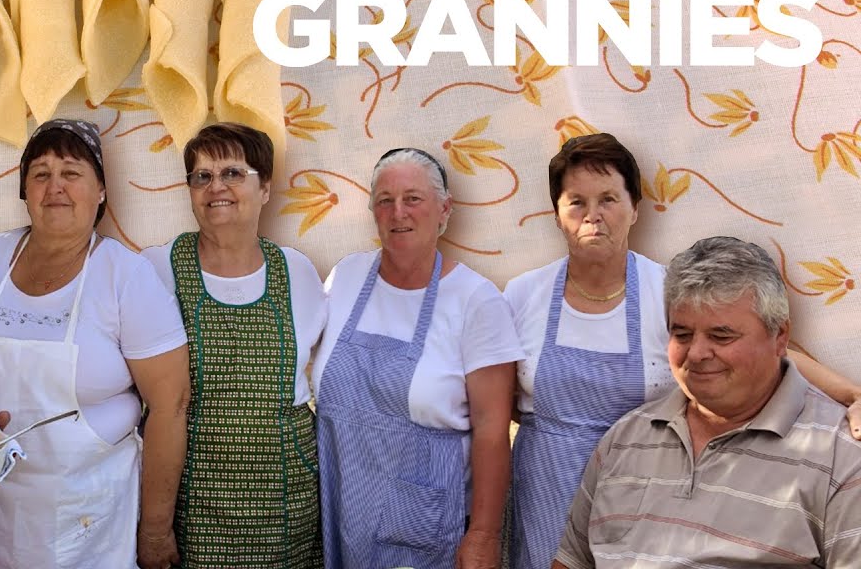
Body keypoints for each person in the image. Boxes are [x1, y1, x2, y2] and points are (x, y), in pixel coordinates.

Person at [507, 133, 861, 569]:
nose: (593, 215)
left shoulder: (667, 290)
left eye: (608, 199)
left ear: (635, 208)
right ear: (556, 214)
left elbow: (760, 348)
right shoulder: (523, 294)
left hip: (643, 487)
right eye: (576, 202)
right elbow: (498, 398)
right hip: (545, 484)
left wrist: (852, 395)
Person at [0, 118, 191, 569]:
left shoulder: (125, 276)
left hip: (88, 520)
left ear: (101, 191)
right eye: (40, 173)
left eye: (72, 172)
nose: (54, 186)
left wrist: (156, 531)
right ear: (25, 191)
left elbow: (170, 405)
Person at [553, 236, 861, 568]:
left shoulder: (841, 456)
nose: (697, 353)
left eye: (721, 336)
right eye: (682, 334)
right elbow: (572, 561)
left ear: (780, 336)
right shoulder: (625, 438)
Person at [311, 147, 522, 569]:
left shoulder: (476, 301)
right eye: (385, 200)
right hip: (341, 510)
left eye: (413, 198)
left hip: (423, 522)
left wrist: (483, 536)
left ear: (444, 210)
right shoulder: (345, 277)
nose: (398, 212)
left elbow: (492, 430)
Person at [142, 123, 326, 568]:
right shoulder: (157, 269)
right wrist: (155, 527)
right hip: (193, 505)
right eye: (202, 176)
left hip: (287, 502)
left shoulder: (297, 272)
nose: (215, 187)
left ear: (265, 188)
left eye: (232, 173)